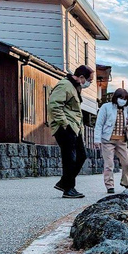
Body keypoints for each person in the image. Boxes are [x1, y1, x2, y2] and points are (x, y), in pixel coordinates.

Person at [48, 65, 94, 198]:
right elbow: (54, 105)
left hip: (74, 127)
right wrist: (65, 124)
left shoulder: (74, 87)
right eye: (89, 80)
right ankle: (69, 188)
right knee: (70, 158)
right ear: (81, 77)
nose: (90, 83)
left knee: (81, 156)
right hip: (65, 127)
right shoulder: (65, 85)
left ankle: (64, 183)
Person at [94, 88, 128, 194]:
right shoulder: (106, 107)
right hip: (107, 140)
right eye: (121, 98)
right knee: (109, 164)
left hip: (122, 140)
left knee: (126, 163)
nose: (123, 100)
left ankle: (125, 181)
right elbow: (99, 124)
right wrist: (97, 139)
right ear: (116, 98)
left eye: (125, 99)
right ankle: (109, 185)